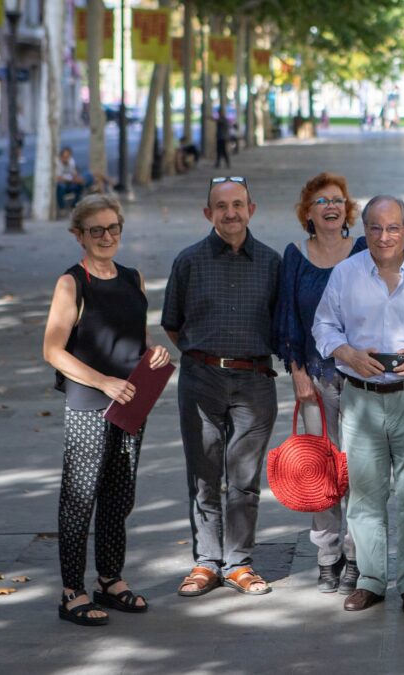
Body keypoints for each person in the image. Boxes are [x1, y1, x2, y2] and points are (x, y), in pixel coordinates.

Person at [312, 196, 404, 615]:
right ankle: (372, 580)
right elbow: (323, 324)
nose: (384, 236)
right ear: (364, 230)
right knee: (364, 496)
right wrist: (346, 353)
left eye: (393, 227)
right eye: (375, 228)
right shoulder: (346, 274)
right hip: (361, 397)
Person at [43, 194, 172, 626]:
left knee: (120, 496)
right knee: (80, 499)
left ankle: (110, 580)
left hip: (132, 402)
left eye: (113, 228)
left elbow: (134, 336)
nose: (106, 237)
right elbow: (52, 351)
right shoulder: (72, 283)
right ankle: (71, 591)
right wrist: (102, 382)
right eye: (95, 230)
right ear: (78, 235)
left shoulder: (133, 278)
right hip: (89, 404)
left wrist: (151, 352)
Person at [161, 176, 282, 599]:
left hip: (254, 383)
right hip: (201, 379)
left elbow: (281, 323)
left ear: (252, 208)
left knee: (244, 478)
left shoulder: (271, 263)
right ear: (207, 213)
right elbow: (173, 324)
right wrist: (208, 357)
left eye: (238, 204)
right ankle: (206, 562)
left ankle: (239, 564)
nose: (230, 213)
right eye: (221, 206)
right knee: (204, 475)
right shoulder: (188, 261)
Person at [273, 173, 367, 594]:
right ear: (307, 213)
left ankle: (357, 554)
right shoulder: (295, 256)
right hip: (315, 377)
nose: (331, 206)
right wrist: (296, 372)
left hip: (363, 380)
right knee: (322, 471)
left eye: (338, 200)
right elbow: (287, 317)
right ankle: (328, 555)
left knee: (362, 471)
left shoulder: (364, 250)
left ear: (347, 210)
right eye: (321, 201)